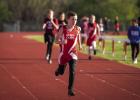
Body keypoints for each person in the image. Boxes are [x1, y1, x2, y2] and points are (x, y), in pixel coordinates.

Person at [55, 11, 82, 96]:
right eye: (73, 19)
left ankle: (70, 89)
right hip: (63, 54)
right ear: (68, 19)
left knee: (72, 71)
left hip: (73, 53)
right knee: (61, 72)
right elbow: (56, 40)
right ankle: (58, 70)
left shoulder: (77, 29)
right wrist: (62, 42)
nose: (75, 21)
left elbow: (78, 36)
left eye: (76, 19)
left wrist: (80, 45)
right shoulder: (63, 28)